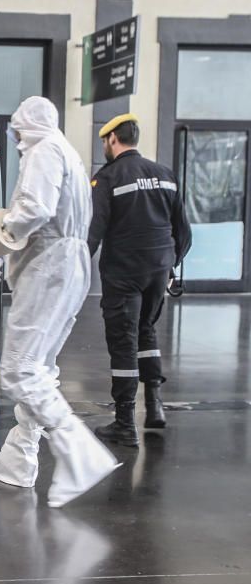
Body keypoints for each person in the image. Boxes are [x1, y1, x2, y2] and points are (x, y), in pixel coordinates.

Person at [0, 96, 120, 508]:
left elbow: (34, 208)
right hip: (68, 265)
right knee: (39, 367)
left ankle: (80, 453)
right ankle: (19, 458)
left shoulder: (44, 150)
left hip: (49, 266)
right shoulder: (66, 151)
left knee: (19, 369)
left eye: (17, 129)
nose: (15, 137)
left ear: (24, 126)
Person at [88, 114, 191, 446]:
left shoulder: (108, 177)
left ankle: (124, 423)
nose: (104, 145)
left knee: (123, 341)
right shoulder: (165, 175)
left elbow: (95, 230)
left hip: (124, 271)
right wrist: (170, 263)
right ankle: (155, 407)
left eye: (105, 140)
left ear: (113, 139)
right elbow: (183, 231)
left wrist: (74, 269)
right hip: (159, 268)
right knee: (146, 331)